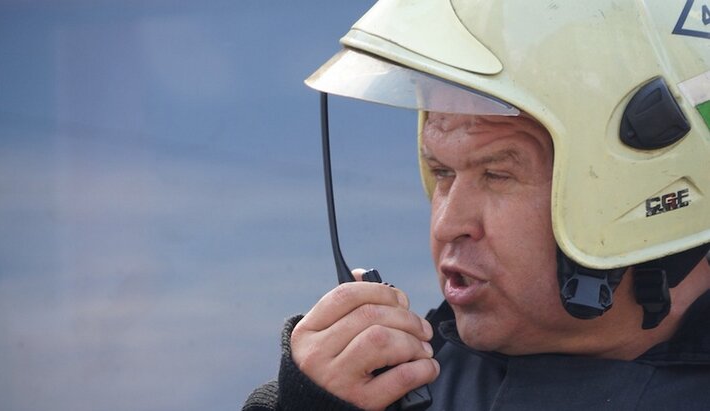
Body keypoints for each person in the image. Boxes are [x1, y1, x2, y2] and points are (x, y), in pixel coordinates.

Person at [243, 1, 710, 410]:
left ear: (647, 189)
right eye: (442, 171)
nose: (447, 225)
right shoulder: (385, 388)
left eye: (496, 175)